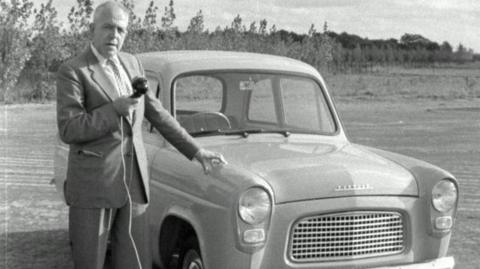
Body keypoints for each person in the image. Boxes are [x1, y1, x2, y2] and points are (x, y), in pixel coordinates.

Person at [56, 1, 227, 268]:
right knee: (90, 262)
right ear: (92, 29)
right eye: (108, 27)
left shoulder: (132, 63)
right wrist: (114, 110)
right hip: (93, 186)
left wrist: (196, 150)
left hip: (134, 184)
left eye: (121, 30)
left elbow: (158, 114)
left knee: (135, 262)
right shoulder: (73, 71)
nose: (114, 35)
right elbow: (70, 128)